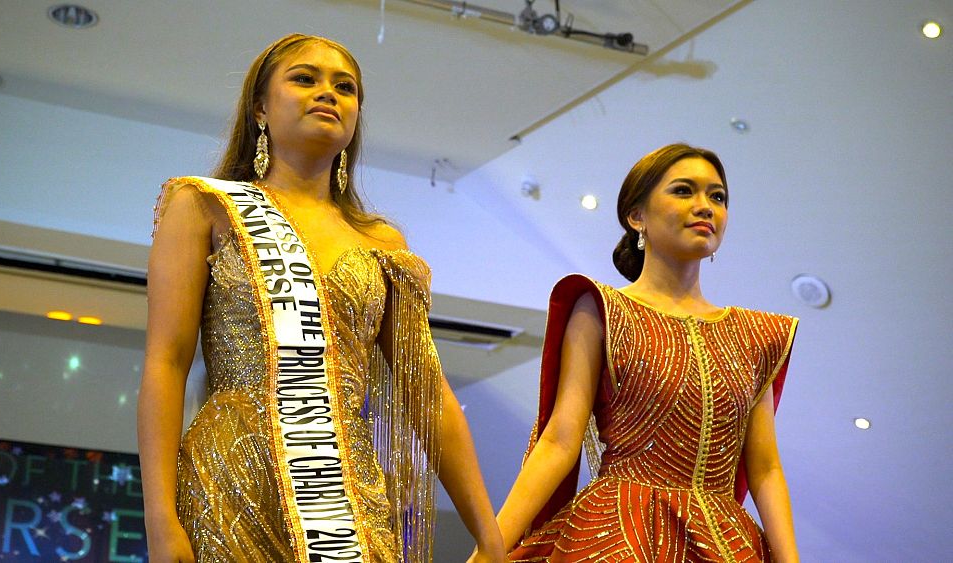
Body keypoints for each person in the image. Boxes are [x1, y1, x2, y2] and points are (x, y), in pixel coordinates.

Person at [138, 33, 503, 562]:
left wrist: (488, 536)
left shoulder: (382, 243)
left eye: (345, 87)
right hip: (230, 479)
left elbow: (427, 394)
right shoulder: (206, 207)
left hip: (344, 488)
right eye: (305, 79)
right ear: (260, 107)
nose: (327, 93)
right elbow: (166, 362)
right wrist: (160, 519)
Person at [495, 144, 800, 562]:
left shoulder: (757, 335)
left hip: (724, 543)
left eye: (717, 196)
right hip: (616, 535)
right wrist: (487, 550)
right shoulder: (603, 309)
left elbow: (765, 469)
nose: (705, 207)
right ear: (636, 216)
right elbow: (560, 440)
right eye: (683, 191)